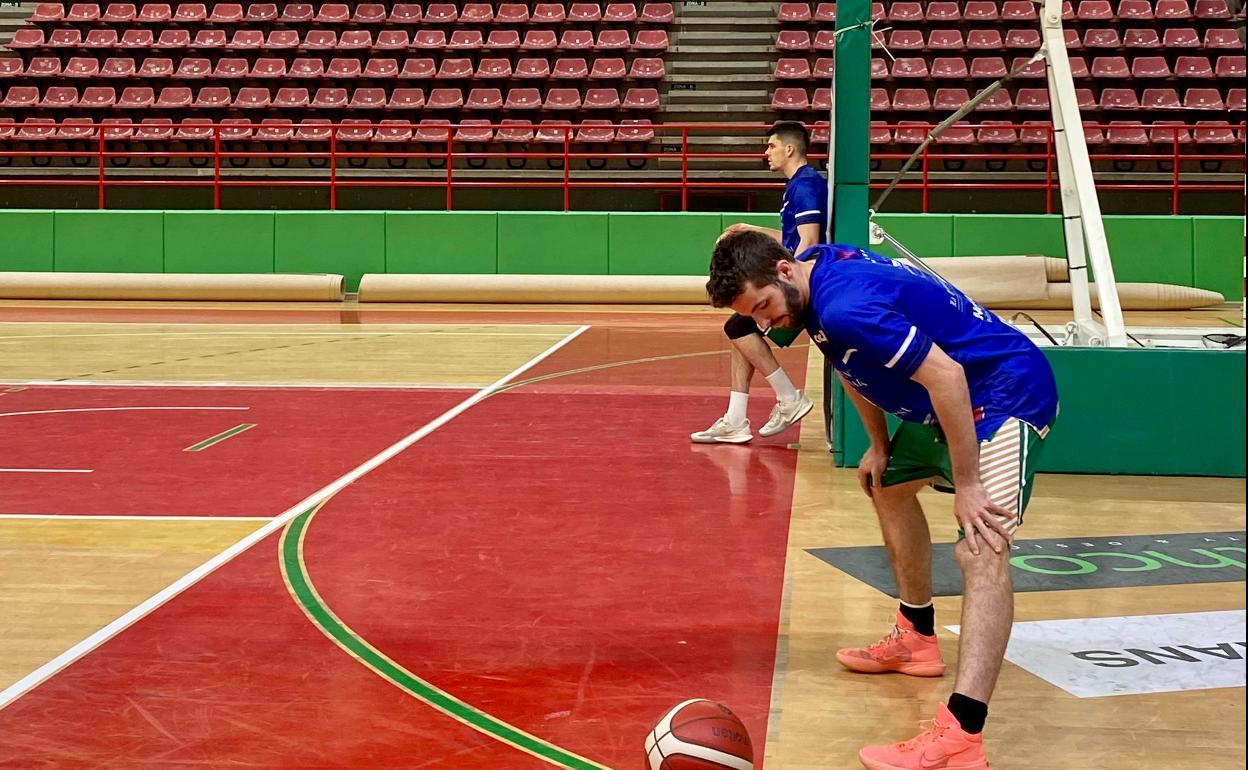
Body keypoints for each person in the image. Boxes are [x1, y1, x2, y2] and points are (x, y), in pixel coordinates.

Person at [706, 231, 1059, 770]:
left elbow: (947, 375)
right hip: (944, 402)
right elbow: (852, 367)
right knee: (886, 482)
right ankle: (918, 638)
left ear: (782, 272)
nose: (763, 324)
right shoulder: (815, 276)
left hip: (1002, 394)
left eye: (763, 309)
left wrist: (967, 485)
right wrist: (878, 444)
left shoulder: (847, 306)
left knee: (982, 549)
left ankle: (963, 738)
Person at [691, 121, 830, 445]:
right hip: (797, 274)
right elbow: (793, 239)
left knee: (739, 328)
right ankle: (736, 420)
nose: (766, 153)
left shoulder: (805, 185)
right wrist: (752, 230)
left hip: (804, 284)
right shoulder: (798, 185)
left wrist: (788, 287)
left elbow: (808, 243)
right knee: (740, 332)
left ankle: (789, 398)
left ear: (789, 148)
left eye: (770, 146)